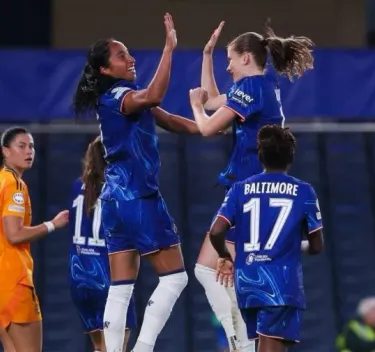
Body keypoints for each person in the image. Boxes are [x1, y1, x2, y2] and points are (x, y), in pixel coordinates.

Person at [72, 13, 201, 352]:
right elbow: (155, 96)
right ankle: (142, 348)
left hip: (114, 199)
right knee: (175, 278)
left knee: (121, 286)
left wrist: (210, 125)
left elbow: (170, 120)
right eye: (121, 55)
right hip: (137, 196)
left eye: (129, 53)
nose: (130, 59)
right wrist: (169, 50)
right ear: (104, 69)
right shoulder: (119, 97)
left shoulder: (123, 96)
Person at [189, 21, 314, 352]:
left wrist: (195, 107)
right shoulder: (264, 85)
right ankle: (243, 339)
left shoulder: (251, 88)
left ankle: (241, 341)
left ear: (246, 58)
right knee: (217, 271)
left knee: (209, 270)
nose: (227, 66)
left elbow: (207, 124)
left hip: (246, 193)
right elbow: (216, 99)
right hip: (254, 193)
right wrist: (206, 55)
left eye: (229, 60)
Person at [209, 125, 324, 352]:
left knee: (268, 345)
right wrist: (295, 245)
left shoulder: (239, 189)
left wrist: (225, 255)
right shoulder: (304, 191)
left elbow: (216, 231)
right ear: (291, 157)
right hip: (280, 283)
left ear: (260, 156)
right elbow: (317, 245)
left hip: (247, 281)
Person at [0, 126, 69, 352]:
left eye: (31, 146)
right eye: (21, 146)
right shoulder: (14, 186)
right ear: (5, 151)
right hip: (15, 282)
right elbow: (14, 233)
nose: (29, 151)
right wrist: (52, 225)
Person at [69, 136, 137, 352]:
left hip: (79, 278)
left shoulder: (77, 186)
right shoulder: (118, 190)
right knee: (117, 347)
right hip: (108, 278)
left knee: (100, 348)